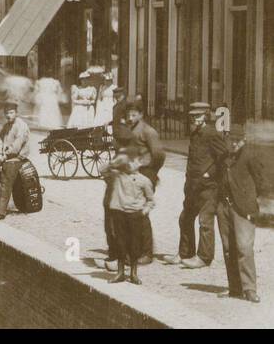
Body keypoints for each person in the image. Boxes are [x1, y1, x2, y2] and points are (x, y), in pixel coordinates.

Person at [166, 102, 229, 269]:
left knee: (205, 222)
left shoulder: (212, 133)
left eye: (198, 115)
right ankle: (185, 253)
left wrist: (210, 173)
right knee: (185, 218)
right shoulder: (195, 133)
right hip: (193, 185)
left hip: (208, 186)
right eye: (193, 115)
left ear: (206, 116)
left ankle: (204, 257)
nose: (195, 118)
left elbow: (224, 157)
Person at [215, 122, 270, 303]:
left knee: (244, 248)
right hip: (224, 207)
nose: (234, 144)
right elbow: (218, 179)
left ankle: (249, 289)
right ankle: (235, 288)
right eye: (231, 140)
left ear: (244, 140)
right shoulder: (223, 157)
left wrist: (257, 205)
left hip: (244, 209)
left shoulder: (250, 156)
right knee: (228, 248)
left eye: (238, 141)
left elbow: (262, 181)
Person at [111, 97, 164, 264]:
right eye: (128, 114)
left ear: (141, 114)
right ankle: (133, 250)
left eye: (134, 114)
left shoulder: (148, 131)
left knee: (141, 214)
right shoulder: (128, 129)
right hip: (130, 175)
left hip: (145, 174)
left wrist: (151, 173)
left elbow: (159, 155)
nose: (130, 118)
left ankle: (147, 253)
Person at [104, 149, 155, 285]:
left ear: (140, 163)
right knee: (120, 242)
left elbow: (151, 200)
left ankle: (133, 273)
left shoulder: (144, 181)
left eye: (134, 161)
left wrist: (144, 211)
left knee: (135, 244)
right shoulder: (118, 176)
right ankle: (120, 273)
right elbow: (103, 171)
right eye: (128, 161)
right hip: (119, 213)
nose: (130, 164)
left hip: (135, 215)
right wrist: (114, 162)